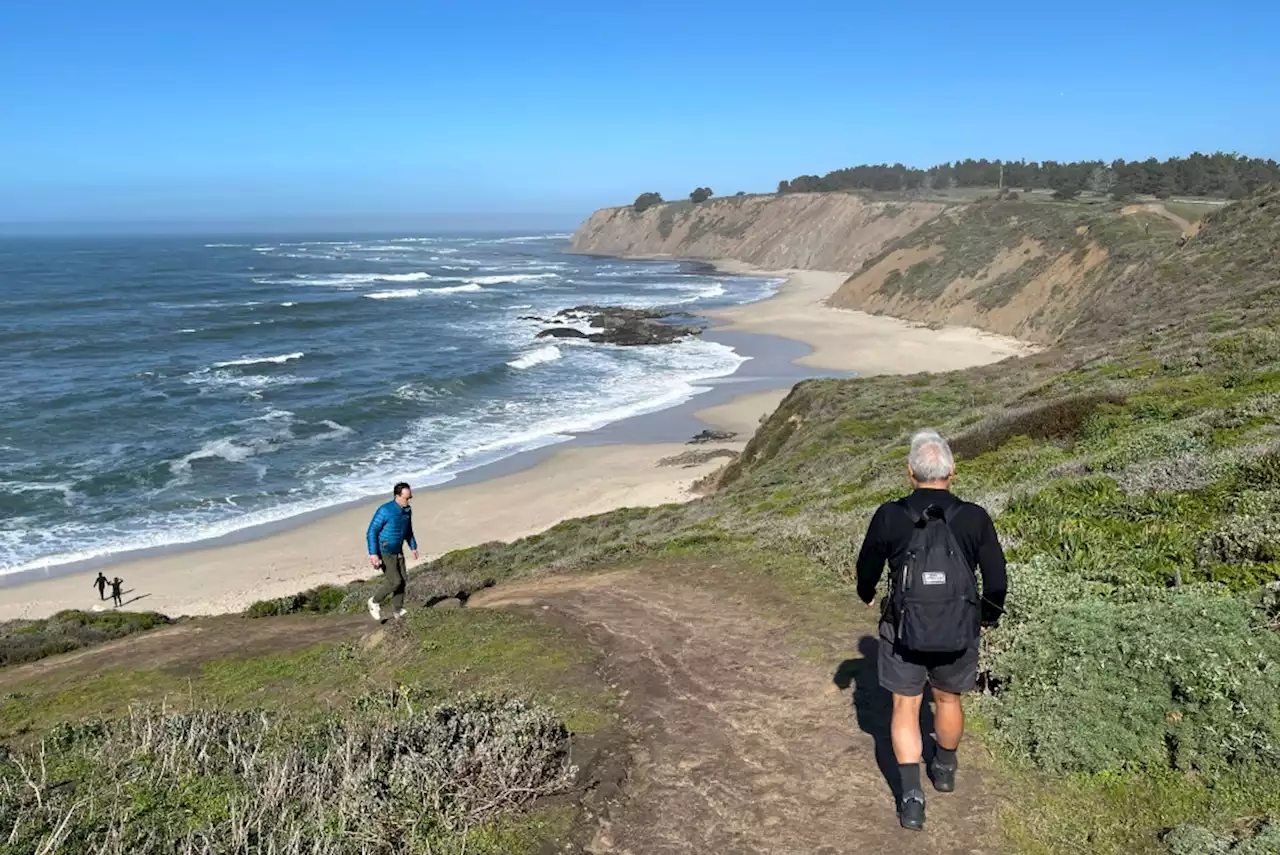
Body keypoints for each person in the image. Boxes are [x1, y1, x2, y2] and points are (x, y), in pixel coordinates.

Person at [855, 429, 1007, 831]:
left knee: (905, 706)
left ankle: (911, 798)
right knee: (948, 700)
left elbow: (867, 562)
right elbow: (996, 577)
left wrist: (866, 592)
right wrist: (988, 616)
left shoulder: (890, 514)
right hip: (958, 630)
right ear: (952, 470)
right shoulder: (974, 516)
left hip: (903, 630)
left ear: (910, 473)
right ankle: (944, 769)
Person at [365, 482, 420, 622]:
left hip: (398, 550)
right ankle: (374, 601)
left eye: (410, 498)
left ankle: (398, 610)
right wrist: (373, 554)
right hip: (384, 551)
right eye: (406, 498)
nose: (408, 501)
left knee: (403, 581)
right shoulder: (385, 510)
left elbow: (408, 531)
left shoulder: (407, 511)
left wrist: (413, 546)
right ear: (397, 496)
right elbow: (372, 531)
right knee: (395, 581)